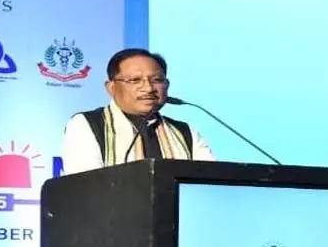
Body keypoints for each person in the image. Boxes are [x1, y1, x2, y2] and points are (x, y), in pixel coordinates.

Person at [61, 49, 214, 174]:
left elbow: (209, 184)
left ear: (167, 85)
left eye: (157, 80)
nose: (148, 88)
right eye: (135, 80)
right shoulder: (87, 125)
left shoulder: (185, 133)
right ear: (111, 87)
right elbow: (87, 186)